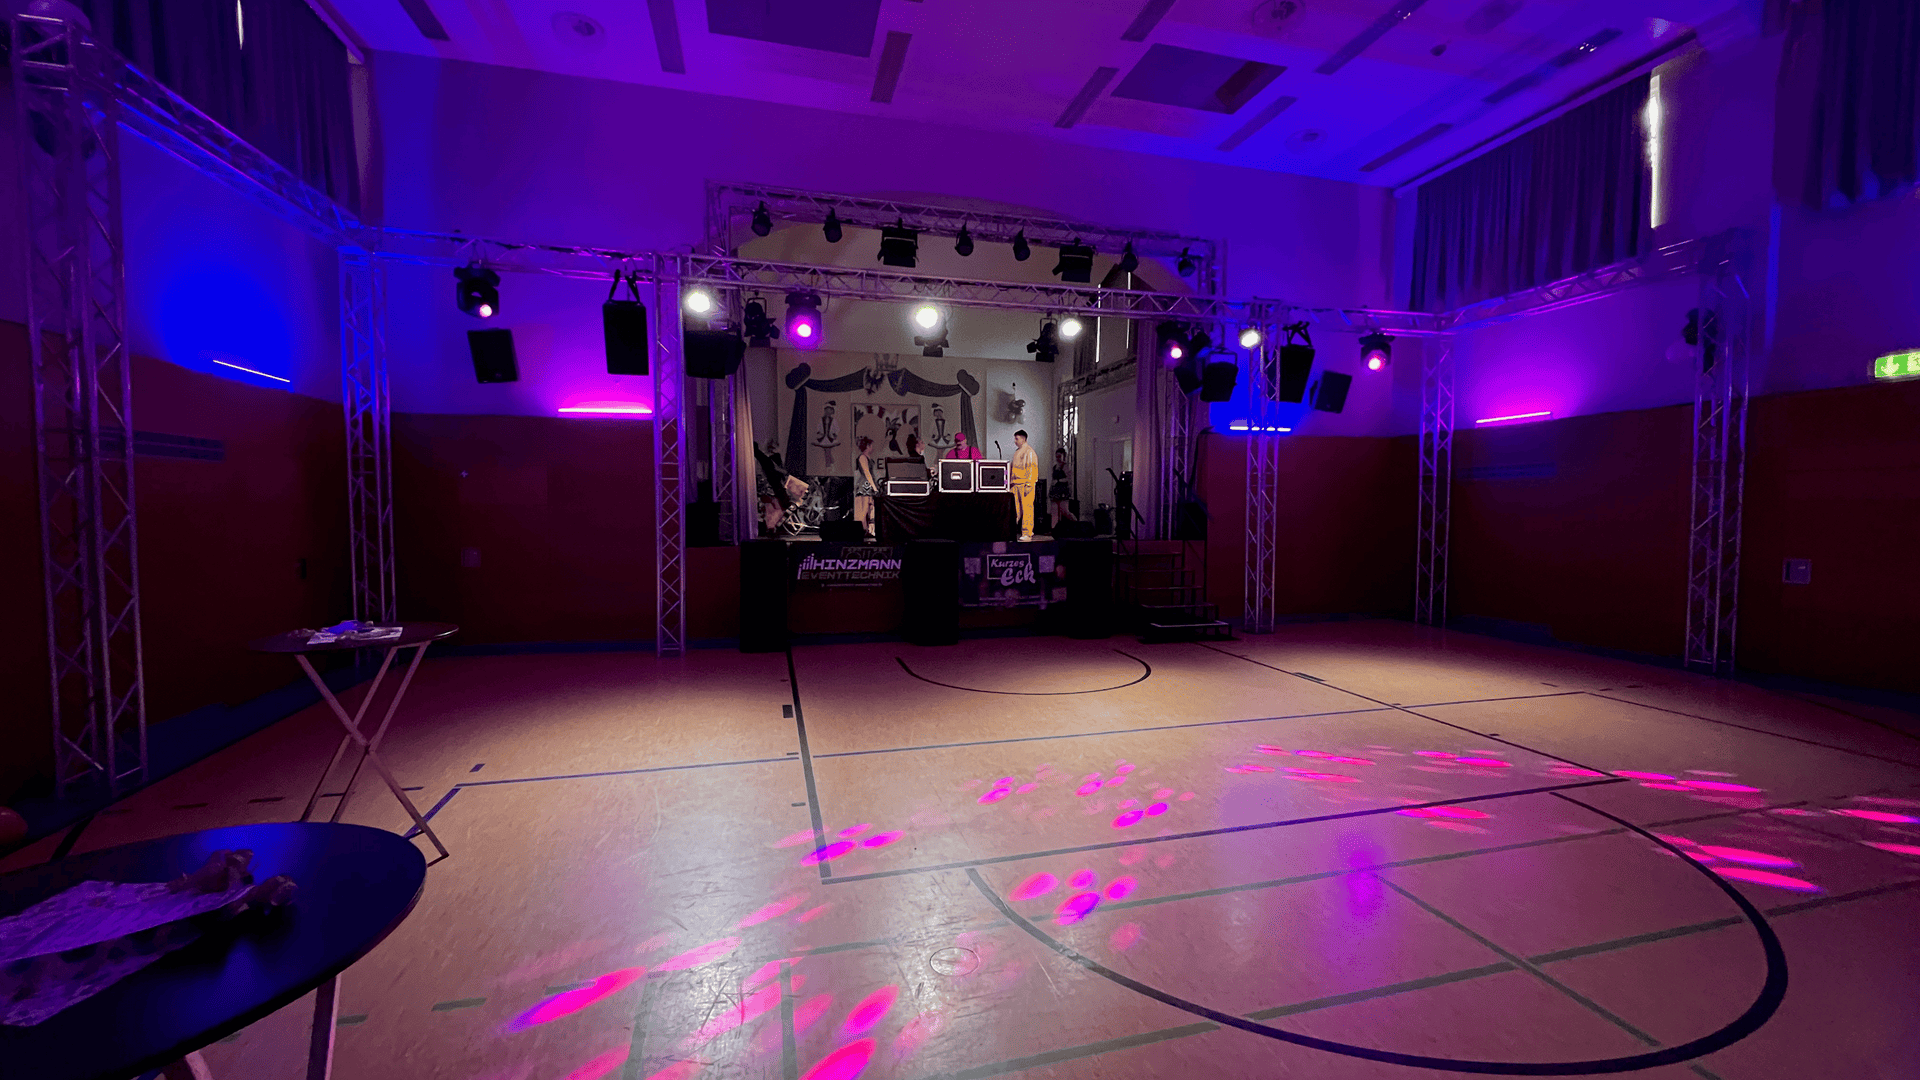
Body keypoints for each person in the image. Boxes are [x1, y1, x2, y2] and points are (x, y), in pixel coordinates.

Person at [1009, 429, 1039, 541]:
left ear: (1023, 439)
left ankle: (1027, 533)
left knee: (1027, 509)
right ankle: (1011, 531)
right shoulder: (1017, 452)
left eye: (1017, 439)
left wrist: (1029, 484)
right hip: (1015, 484)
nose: (1015, 441)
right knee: (1015, 509)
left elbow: (1032, 468)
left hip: (1025, 484)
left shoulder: (1029, 452)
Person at [853, 436, 878, 539]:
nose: (873, 448)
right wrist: (874, 487)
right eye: (871, 445)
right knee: (863, 510)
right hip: (864, 486)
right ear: (867, 446)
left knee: (871, 509)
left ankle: (869, 530)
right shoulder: (862, 457)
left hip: (869, 485)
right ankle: (861, 530)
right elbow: (867, 473)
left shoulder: (868, 458)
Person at [1049, 449, 1072, 528]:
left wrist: (1058, 481)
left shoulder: (1066, 466)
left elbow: (1069, 479)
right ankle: (1054, 529)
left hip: (1063, 491)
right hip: (1055, 491)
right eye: (1056, 456)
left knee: (1065, 511)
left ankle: (1077, 523)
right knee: (1054, 511)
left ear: (1063, 456)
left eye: (1059, 456)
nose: (1057, 458)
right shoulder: (1055, 467)